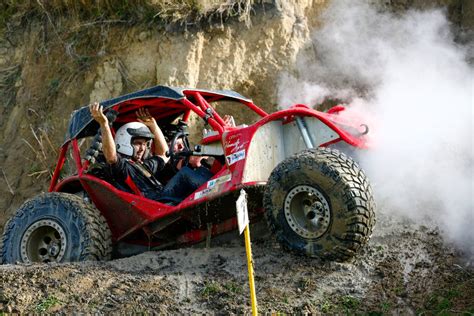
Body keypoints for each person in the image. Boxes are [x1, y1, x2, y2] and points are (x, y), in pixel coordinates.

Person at [89, 102, 211, 202]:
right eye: (138, 143)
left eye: (144, 144)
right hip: (155, 202)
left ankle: (217, 188)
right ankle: (215, 190)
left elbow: (164, 155)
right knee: (185, 173)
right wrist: (104, 124)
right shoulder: (122, 167)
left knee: (198, 169)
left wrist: (154, 126)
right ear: (125, 141)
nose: (142, 148)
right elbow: (111, 157)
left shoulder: (144, 166)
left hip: (162, 197)